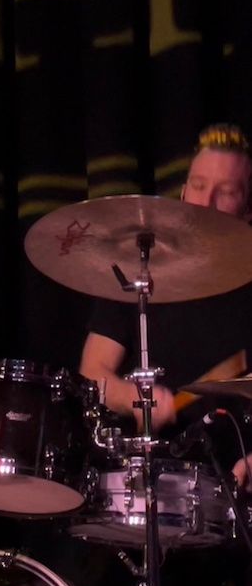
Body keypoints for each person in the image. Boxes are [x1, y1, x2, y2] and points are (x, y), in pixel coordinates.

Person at [79, 123, 252, 482]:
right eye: (199, 186)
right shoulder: (140, 269)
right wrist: (136, 399)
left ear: (247, 208)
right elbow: (93, 371)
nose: (206, 202)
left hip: (235, 484)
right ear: (184, 191)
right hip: (144, 480)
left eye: (226, 192)